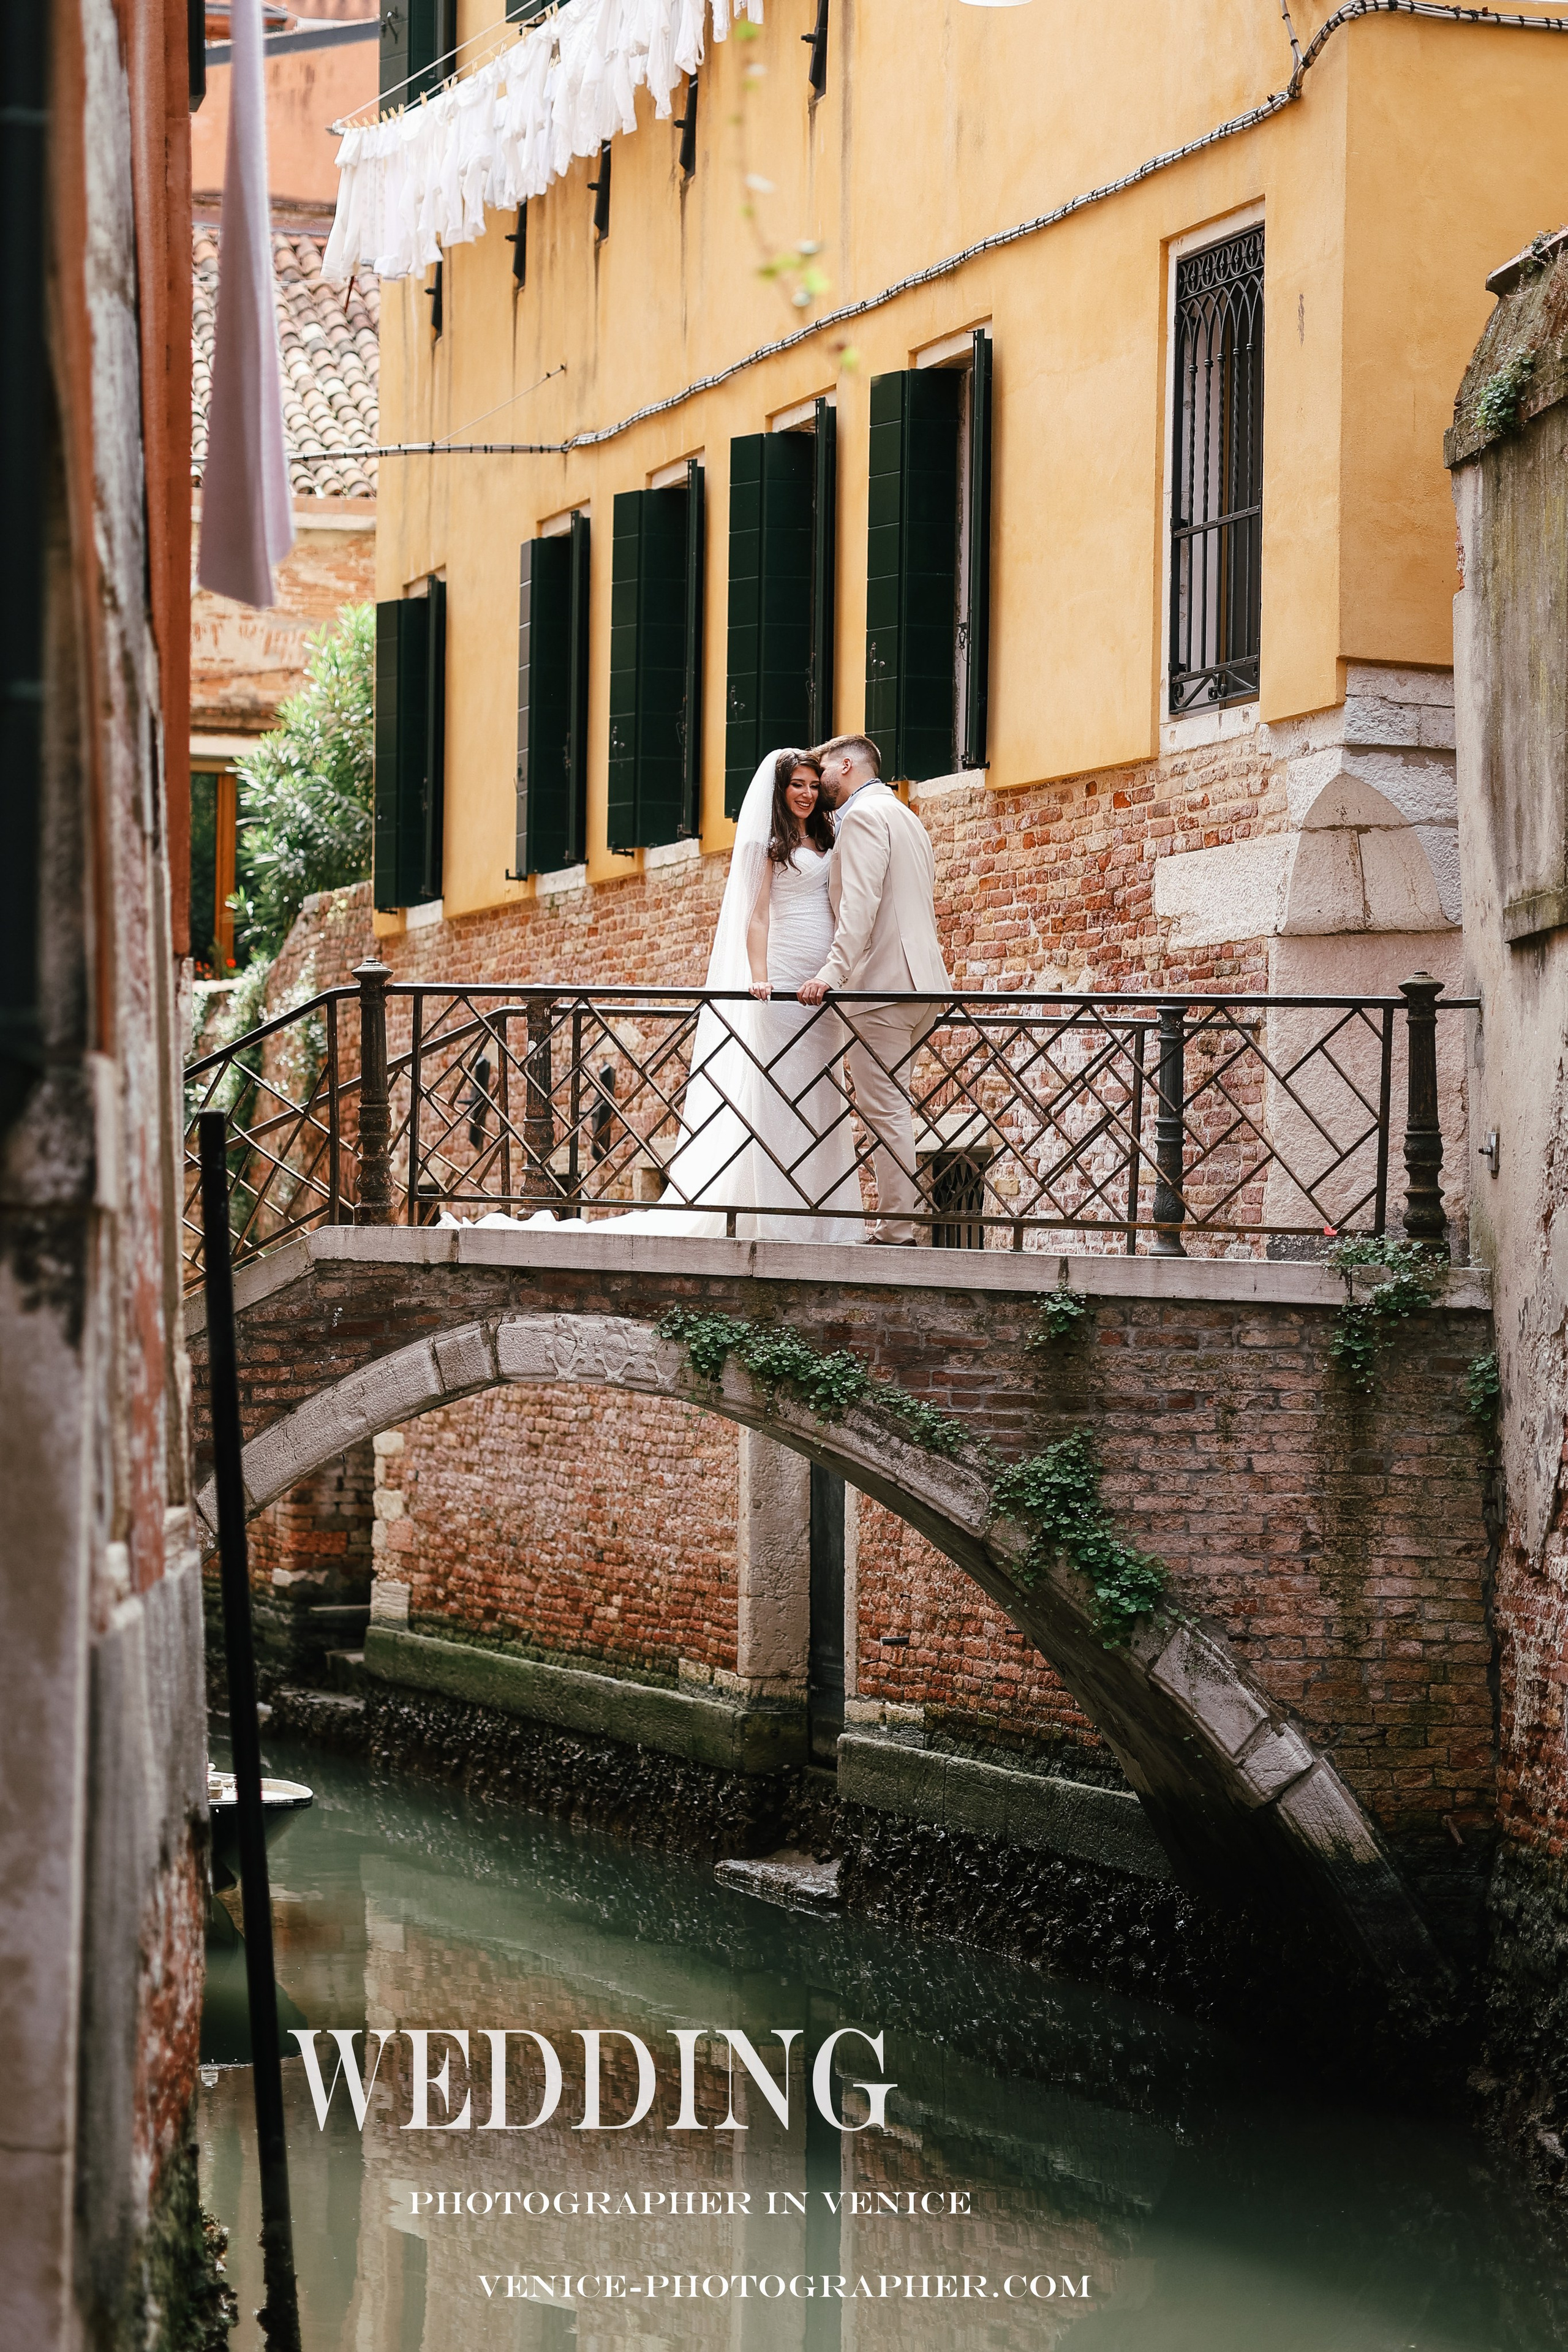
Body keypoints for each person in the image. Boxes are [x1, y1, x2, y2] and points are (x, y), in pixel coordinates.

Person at [647, 748, 864, 1242]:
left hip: (823, 975)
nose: (807, 794)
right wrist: (759, 975)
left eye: (813, 785)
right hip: (784, 970)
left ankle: (826, 1216)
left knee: (822, 1088)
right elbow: (757, 915)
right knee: (778, 1086)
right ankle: (777, 1215)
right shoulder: (765, 844)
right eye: (798, 786)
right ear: (779, 791)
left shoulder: (829, 834)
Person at [799, 734, 952, 1245]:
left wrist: (832, 974)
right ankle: (899, 1223)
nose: (818, 780)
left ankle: (897, 1230)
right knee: (895, 1104)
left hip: (882, 989)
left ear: (846, 765)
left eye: (822, 769)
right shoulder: (907, 816)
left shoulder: (863, 819)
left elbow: (859, 907)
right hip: (922, 987)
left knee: (885, 1109)